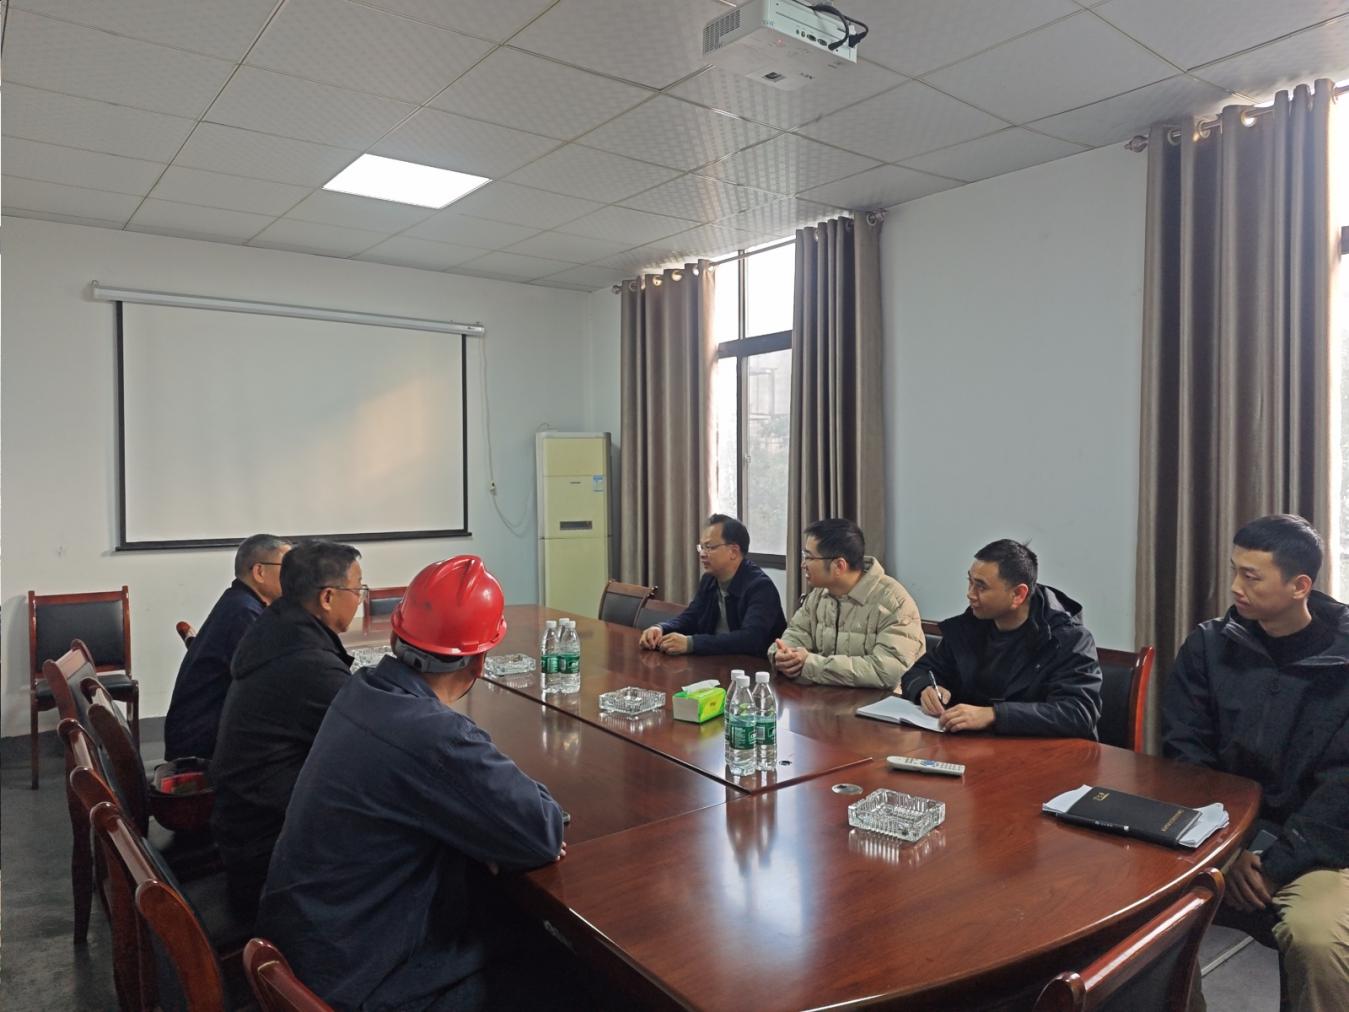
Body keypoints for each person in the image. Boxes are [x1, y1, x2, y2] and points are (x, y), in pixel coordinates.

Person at [258, 556, 577, 1011]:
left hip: (315, 948)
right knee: (570, 973)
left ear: (395, 637)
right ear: (479, 662)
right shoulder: (433, 735)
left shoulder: (360, 691)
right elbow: (540, 832)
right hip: (363, 980)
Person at [1163, 515, 1348, 1012]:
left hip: (1318, 849)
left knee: (1318, 938)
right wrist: (1232, 846)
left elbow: (1342, 789)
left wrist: (1273, 863)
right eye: (1234, 570)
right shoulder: (1209, 645)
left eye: (1251, 576)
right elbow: (1187, 756)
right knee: (1138, 912)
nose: (1234, 587)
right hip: (1218, 835)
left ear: (1299, 586)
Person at [210, 540, 363, 920]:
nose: (360, 599)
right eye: (357, 589)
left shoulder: (276, 626)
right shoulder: (307, 661)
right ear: (327, 597)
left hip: (246, 824)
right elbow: (374, 740)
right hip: (269, 856)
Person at [896, 540, 1102, 738]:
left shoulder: (1069, 639)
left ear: (1018, 594)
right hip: (974, 747)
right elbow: (920, 671)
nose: (970, 594)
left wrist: (995, 715)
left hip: (1044, 754)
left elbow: (1079, 712)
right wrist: (924, 688)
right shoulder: (969, 627)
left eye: (981, 587)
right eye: (970, 582)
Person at [162, 535, 291, 760]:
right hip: (201, 745)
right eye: (287, 568)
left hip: (202, 730)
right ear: (259, 572)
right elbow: (271, 684)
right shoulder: (243, 613)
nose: (295, 577)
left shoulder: (240, 602)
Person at [767, 518, 924, 689]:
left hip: (878, 702)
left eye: (809, 557)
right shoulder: (819, 595)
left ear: (839, 566)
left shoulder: (894, 603)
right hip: (825, 696)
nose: (803, 564)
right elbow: (797, 633)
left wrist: (812, 664)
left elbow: (887, 672)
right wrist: (783, 655)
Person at [638, 514, 787, 657]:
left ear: (733, 551)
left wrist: (691, 643)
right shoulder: (709, 580)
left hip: (754, 668)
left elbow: (751, 639)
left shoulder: (760, 587)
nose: (702, 554)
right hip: (716, 662)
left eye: (709, 547)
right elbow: (691, 617)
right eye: (701, 547)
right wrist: (661, 628)